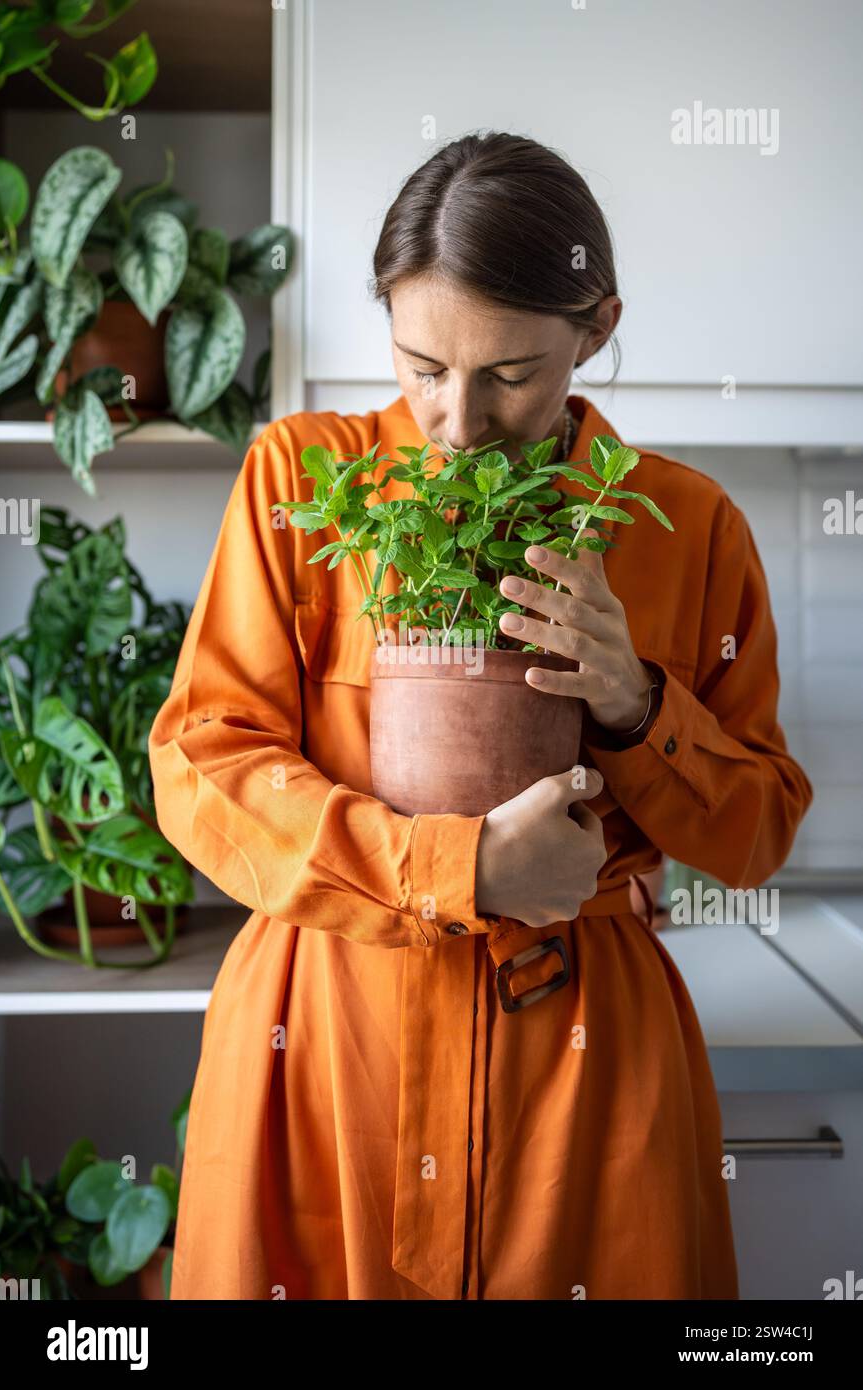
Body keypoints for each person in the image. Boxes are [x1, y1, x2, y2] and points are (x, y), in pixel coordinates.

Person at [148, 131, 813, 1300]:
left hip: (587, 1080)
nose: (458, 421)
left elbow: (753, 834)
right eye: (421, 366)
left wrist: (634, 698)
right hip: (323, 1045)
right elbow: (204, 769)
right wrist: (449, 867)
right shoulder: (303, 483)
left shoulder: (686, 524)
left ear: (595, 327)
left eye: (508, 374)